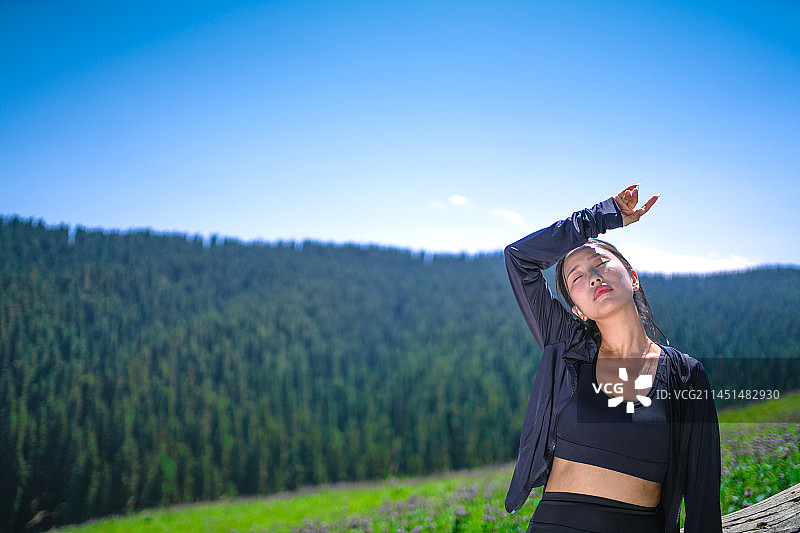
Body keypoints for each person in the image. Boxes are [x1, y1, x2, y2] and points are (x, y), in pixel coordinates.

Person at [502, 185, 722, 533]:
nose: (592, 276)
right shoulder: (567, 346)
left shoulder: (685, 376)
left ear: (633, 279)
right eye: (576, 278)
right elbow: (518, 258)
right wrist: (602, 218)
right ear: (578, 310)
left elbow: (703, 494)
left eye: (600, 263)